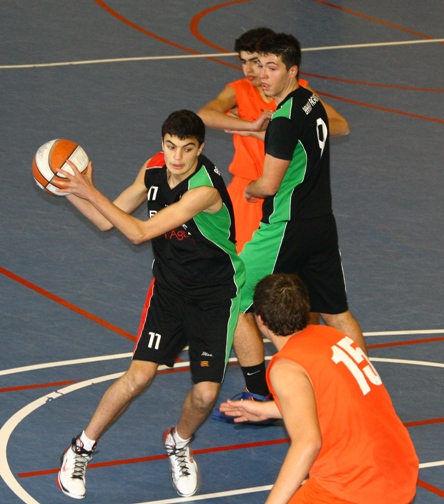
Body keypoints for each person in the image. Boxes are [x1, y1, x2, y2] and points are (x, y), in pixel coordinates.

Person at [54, 110, 245, 499]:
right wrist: (68, 189)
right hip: (170, 293)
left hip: (214, 297)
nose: (177, 157)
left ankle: (178, 441)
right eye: (170, 146)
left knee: (205, 394)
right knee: (138, 376)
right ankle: (79, 450)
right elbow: (108, 220)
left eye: (187, 149)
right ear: (162, 144)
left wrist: (90, 190)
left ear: (200, 149)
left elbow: (139, 233)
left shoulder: (204, 191)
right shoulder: (154, 169)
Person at [212, 32, 367, 422]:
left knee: (227, 293)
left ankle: (257, 390)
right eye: (258, 66)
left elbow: (268, 184)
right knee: (335, 312)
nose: (262, 75)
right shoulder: (311, 101)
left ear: (292, 70)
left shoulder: (282, 119)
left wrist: (248, 189)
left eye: (272, 67)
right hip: (322, 224)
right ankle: (363, 389)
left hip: (285, 226)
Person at [220, 273, 418, 504]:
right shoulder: (333, 337)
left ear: (260, 320)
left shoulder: (286, 367)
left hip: (355, 486)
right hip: (399, 468)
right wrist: (270, 410)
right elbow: (336, 400)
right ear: (306, 309)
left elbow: (308, 443)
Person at [198, 27, 350, 254]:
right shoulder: (239, 91)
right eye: (244, 62)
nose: (250, 70)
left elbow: (341, 125)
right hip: (247, 192)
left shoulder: (298, 93)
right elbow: (204, 115)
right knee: (240, 261)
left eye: (256, 62)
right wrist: (251, 126)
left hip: (284, 192)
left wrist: (278, 131)